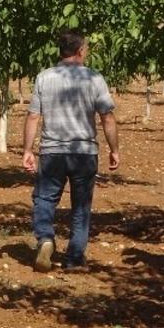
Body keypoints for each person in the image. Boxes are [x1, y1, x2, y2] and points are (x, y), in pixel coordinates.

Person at [22, 31, 120, 272]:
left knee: (44, 198)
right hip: (84, 152)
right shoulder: (94, 78)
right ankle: (75, 258)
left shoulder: (44, 77)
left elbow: (34, 115)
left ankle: (45, 239)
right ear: (80, 51)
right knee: (81, 205)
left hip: (52, 151)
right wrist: (114, 149)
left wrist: (27, 149)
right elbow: (107, 117)